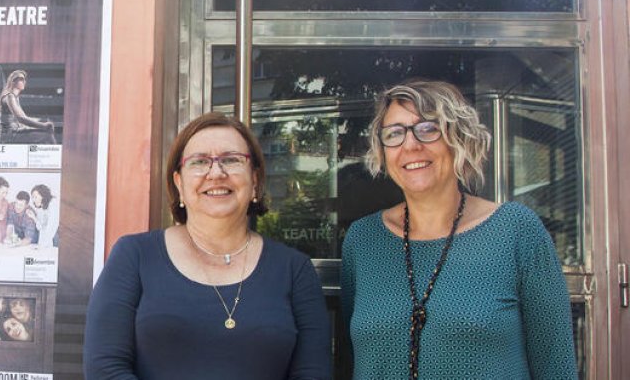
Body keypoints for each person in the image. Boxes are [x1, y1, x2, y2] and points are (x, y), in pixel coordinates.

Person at [341, 79, 577, 379]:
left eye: (428, 128)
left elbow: (556, 367)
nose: (410, 145)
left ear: (459, 139)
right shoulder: (362, 240)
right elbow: (349, 362)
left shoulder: (517, 231)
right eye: (394, 133)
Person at [84, 112, 330, 380]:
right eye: (200, 161)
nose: (216, 173)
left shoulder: (294, 270)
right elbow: (105, 369)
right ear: (179, 183)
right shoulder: (135, 257)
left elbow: (312, 374)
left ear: (255, 179)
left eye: (232, 160)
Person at [0, 70, 55, 144]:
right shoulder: (9, 97)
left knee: (45, 132)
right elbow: (21, 119)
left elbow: (24, 117)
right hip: (9, 135)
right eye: (21, 79)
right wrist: (43, 125)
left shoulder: (15, 97)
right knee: (47, 135)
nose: (24, 81)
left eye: (24, 79)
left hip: (14, 132)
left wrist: (41, 120)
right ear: (13, 81)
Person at [30, 183, 59, 249]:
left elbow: (51, 227)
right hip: (46, 239)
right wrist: (33, 217)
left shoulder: (53, 204)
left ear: (43, 196)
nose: (33, 200)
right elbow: (40, 227)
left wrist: (43, 246)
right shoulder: (40, 208)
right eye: (32, 197)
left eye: (35, 197)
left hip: (54, 236)